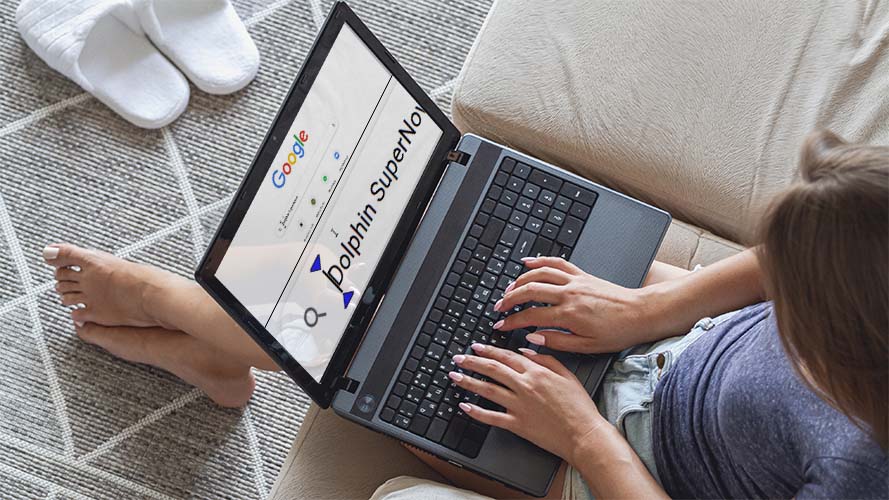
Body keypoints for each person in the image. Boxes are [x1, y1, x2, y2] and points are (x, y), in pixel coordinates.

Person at [43, 130, 887, 498]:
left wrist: (579, 435)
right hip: (681, 338)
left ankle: (174, 306)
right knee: (450, 265)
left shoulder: (861, 474)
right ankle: (218, 353)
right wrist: (645, 306)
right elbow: (798, 251)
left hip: (638, 464)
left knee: (384, 356)